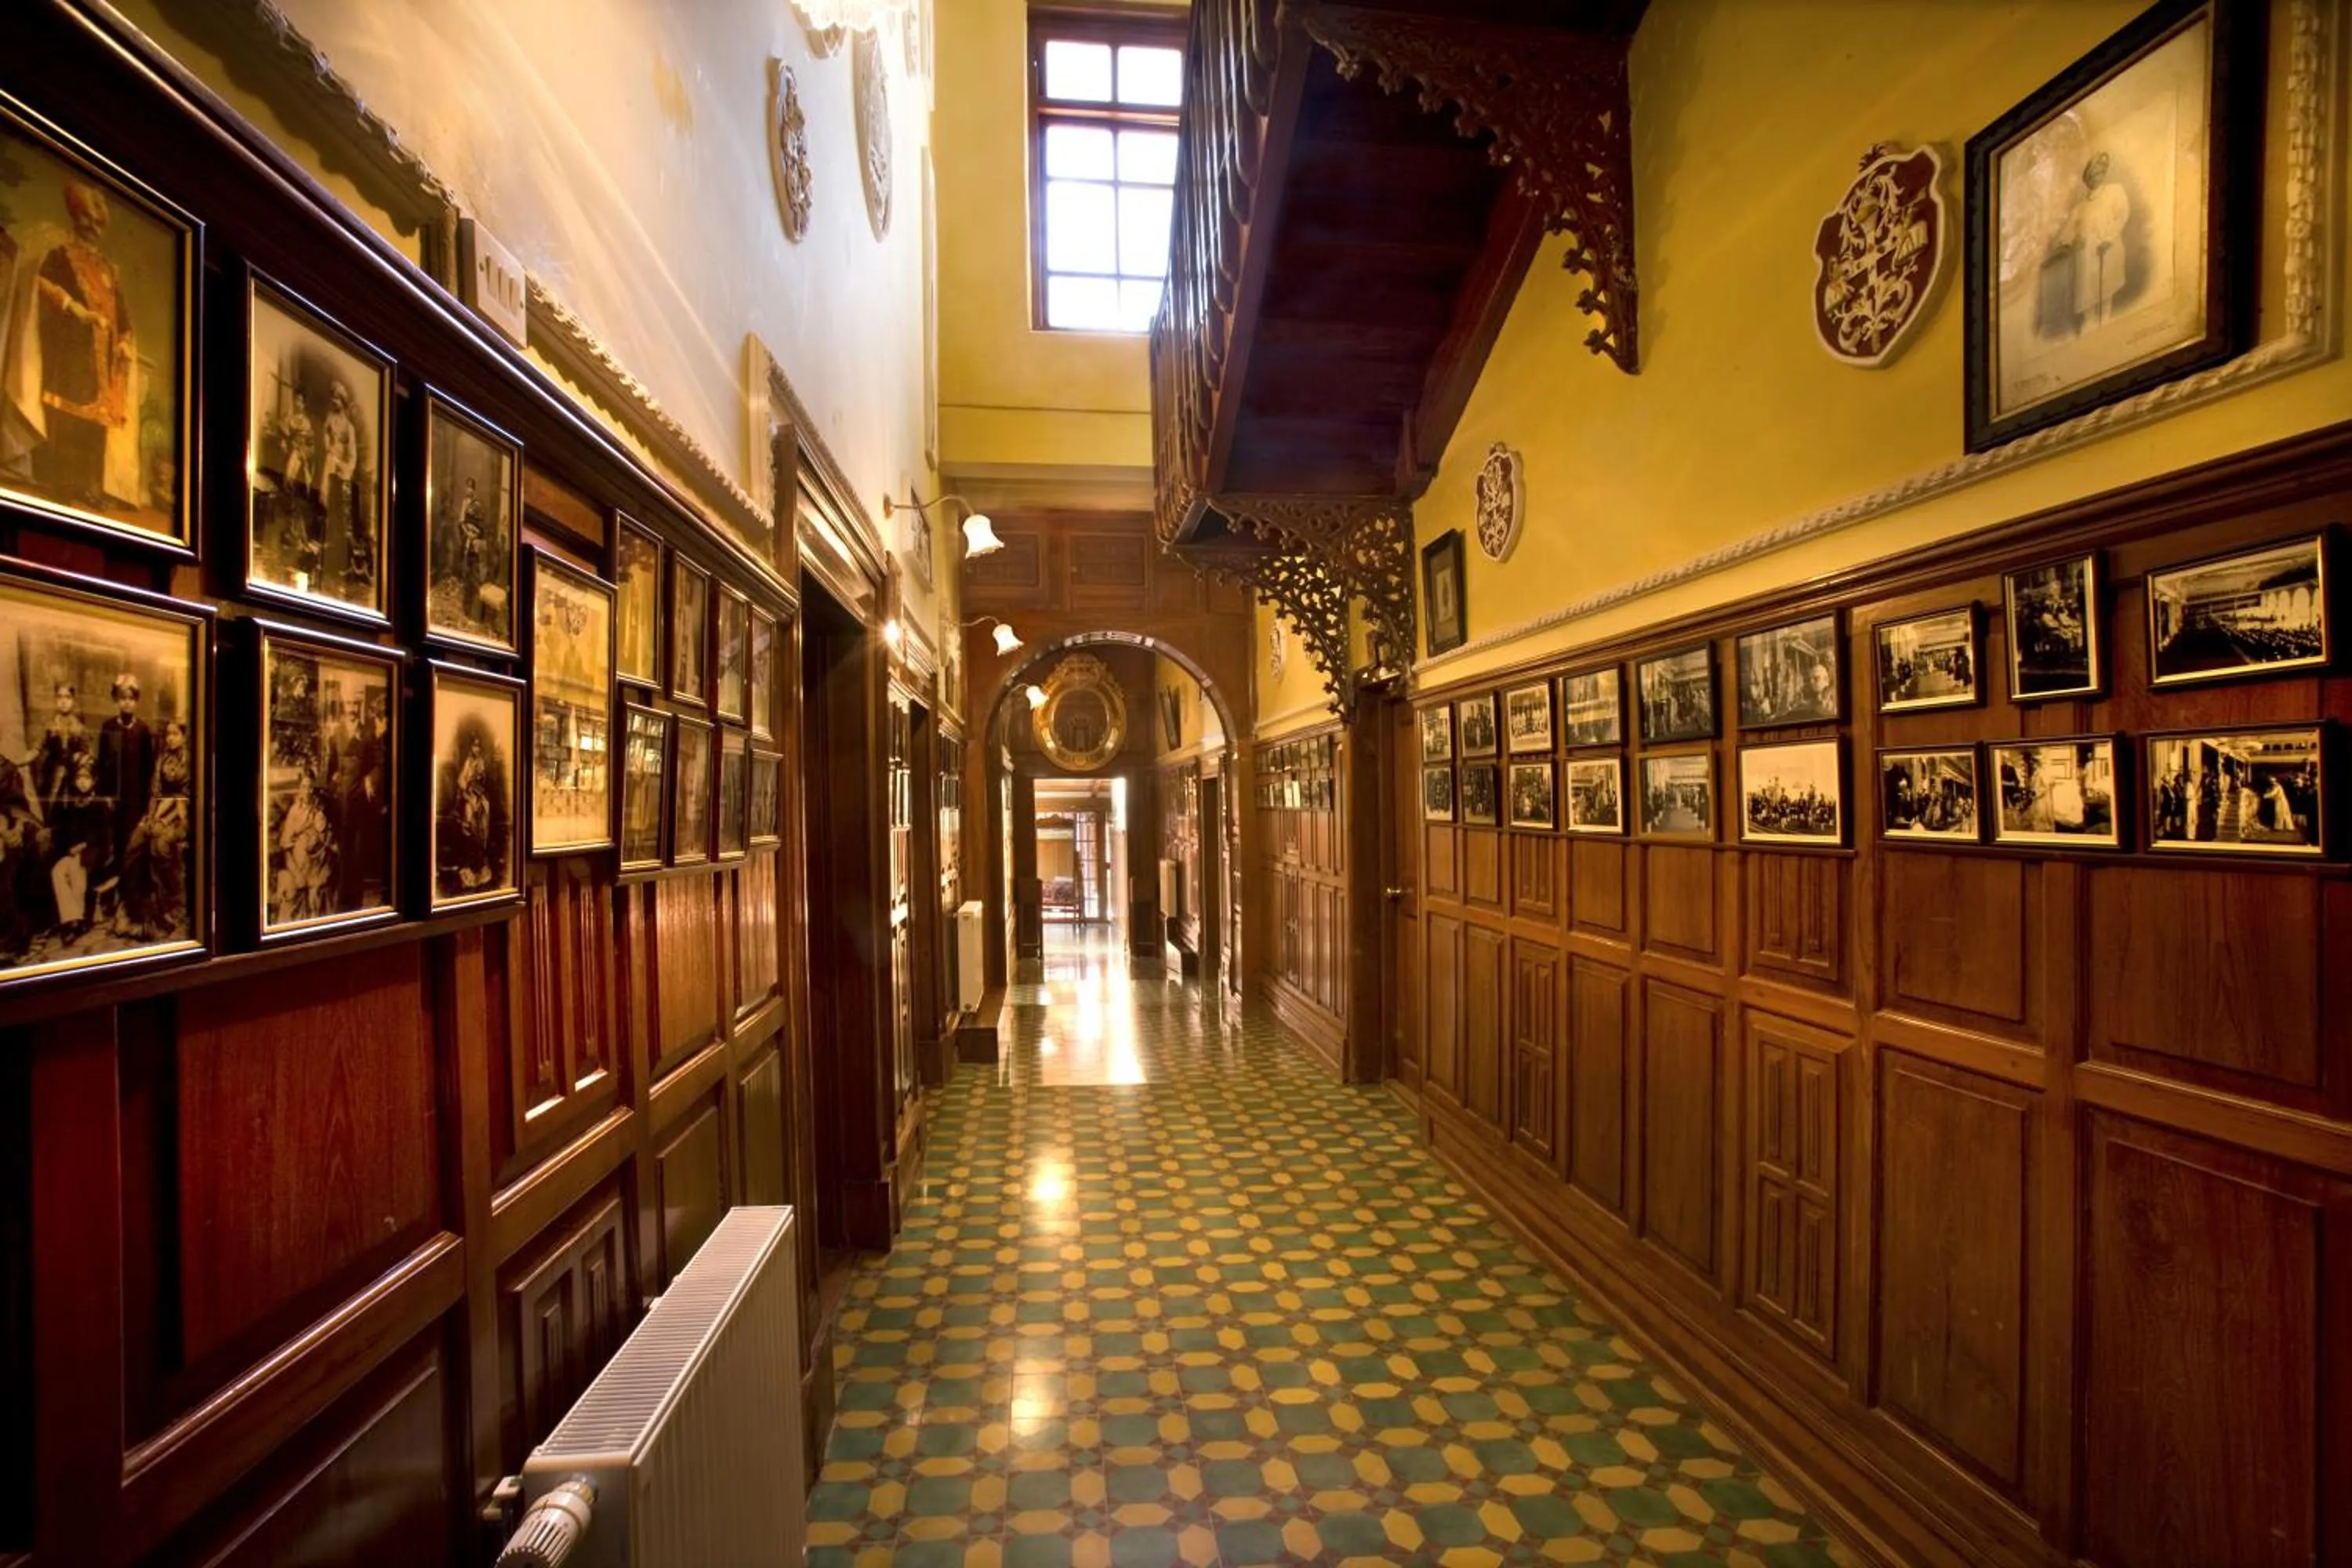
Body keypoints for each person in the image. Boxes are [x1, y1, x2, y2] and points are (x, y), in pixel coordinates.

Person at [1, 180, 140, 510]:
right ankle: (60, 483)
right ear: (79, 220)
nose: (93, 228)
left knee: (95, 429)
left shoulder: (108, 268)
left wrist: (122, 342)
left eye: (98, 222)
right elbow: (42, 284)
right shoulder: (60, 255)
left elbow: (122, 315)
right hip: (71, 353)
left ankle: (87, 486)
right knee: (67, 420)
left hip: (103, 363)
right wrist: (73, 308)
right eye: (89, 220)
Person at [115, 718, 189, 939]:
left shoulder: (189, 762)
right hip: (158, 813)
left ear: (183, 736)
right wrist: (149, 817)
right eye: (168, 734)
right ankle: (132, 905)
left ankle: (168, 906)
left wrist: (165, 821)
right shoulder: (162, 759)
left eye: (175, 734)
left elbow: (185, 798)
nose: (170, 738)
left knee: (160, 846)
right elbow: (155, 792)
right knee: (133, 845)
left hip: (182, 817)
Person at [2052, 151, 2131, 335]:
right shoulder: (2080, 207)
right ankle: (2088, 324)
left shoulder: (2114, 191)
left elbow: (2123, 215)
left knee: (2105, 285)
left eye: (2099, 173)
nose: (2096, 177)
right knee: (2087, 290)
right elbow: (2068, 230)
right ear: (2087, 178)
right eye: (2092, 174)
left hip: (2106, 247)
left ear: (2104, 173)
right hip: (2085, 254)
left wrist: (2109, 238)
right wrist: (2066, 241)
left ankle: (2106, 321)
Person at [45, 753, 111, 937]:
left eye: (87, 778)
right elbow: (64, 832)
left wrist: (84, 846)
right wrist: (69, 848)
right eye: (79, 778)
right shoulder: (71, 804)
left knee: (76, 868)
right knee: (57, 871)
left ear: (94, 780)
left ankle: (78, 920)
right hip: (72, 852)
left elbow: (103, 835)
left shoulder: (99, 804)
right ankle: (70, 918)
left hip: (93, 853)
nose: (82, 782)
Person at [96, 671, 153, 869]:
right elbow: (102, 764)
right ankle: (117, 886)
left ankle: (133, 889)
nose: (127, 703)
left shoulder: (143, 730)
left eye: (131, 698)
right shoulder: (109, 727)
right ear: (116, 700)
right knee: (116, 840)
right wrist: (106, 796)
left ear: (136, 701)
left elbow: (149, 768)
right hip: (115, 797)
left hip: (135, 797)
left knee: (134, 841)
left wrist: (147, 802)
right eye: (122, 698)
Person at [272, 765, 333, 922]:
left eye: (311, 787)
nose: (308, 791)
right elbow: (286, 848)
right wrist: (297, 874)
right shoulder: (294, 811)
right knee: (293, 896)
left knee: (318, 897)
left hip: (316, 866)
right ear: (300, 788)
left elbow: (326, 841)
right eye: (304, 787)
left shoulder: (319, 810)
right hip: (297, 866)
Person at [34, 680, 87, 816]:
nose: (63, 701)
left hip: (72, 775)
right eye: (60, 697)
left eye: (68, 697)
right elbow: (36, 749)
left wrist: (79, 758)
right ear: (55, 700)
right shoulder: (50, 725)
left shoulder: (79, 728)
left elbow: (86, 753)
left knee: (72, 810)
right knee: (50, 807)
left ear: (73, 701)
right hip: (51, 775)